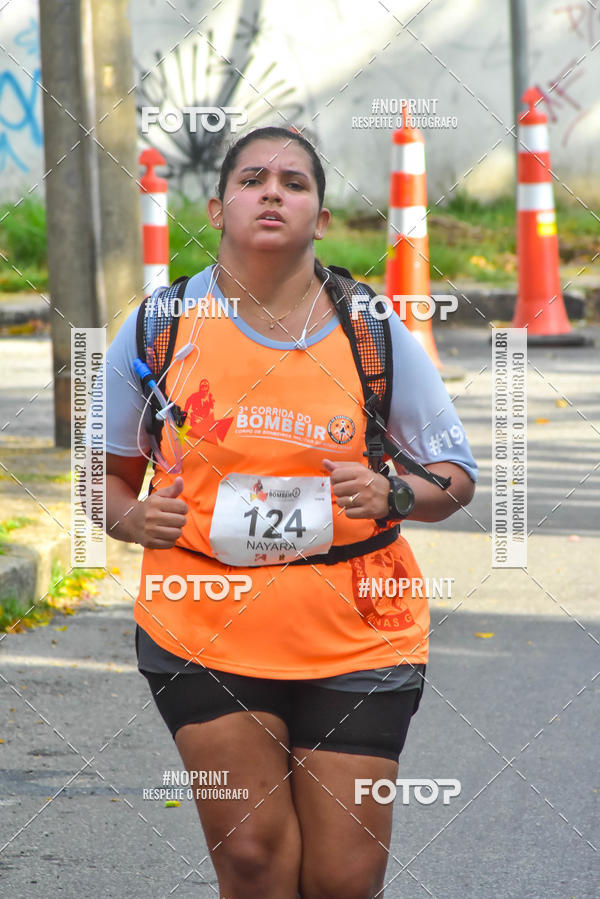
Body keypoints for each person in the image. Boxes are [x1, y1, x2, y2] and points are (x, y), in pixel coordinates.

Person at [102, 126, 477, 898]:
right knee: (253, 862)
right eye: (252, 178)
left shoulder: (373, 331)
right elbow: (100, 481)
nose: (273, 191)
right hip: (202, 620)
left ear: (322, 216)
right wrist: (129, 519)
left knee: (346, 876)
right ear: (216, 205)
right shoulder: (157, 328)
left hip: (359, 628)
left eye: (295, 182)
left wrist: (396, 492)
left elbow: (456, 474)